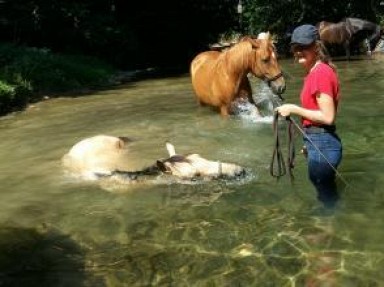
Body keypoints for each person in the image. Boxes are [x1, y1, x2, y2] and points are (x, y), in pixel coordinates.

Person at [275, 24, 342, 209]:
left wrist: (293, 109)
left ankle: (327, 230)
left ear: (316, 46)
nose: (298, 52)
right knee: (326, 194)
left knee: (327, 199)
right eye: (295, 48)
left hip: (324, 143)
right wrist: (309, 142)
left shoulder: (320, 73)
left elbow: (328, 117)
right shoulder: (314, 73)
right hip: (319, 141)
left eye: (303, 47)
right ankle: (329, 227)